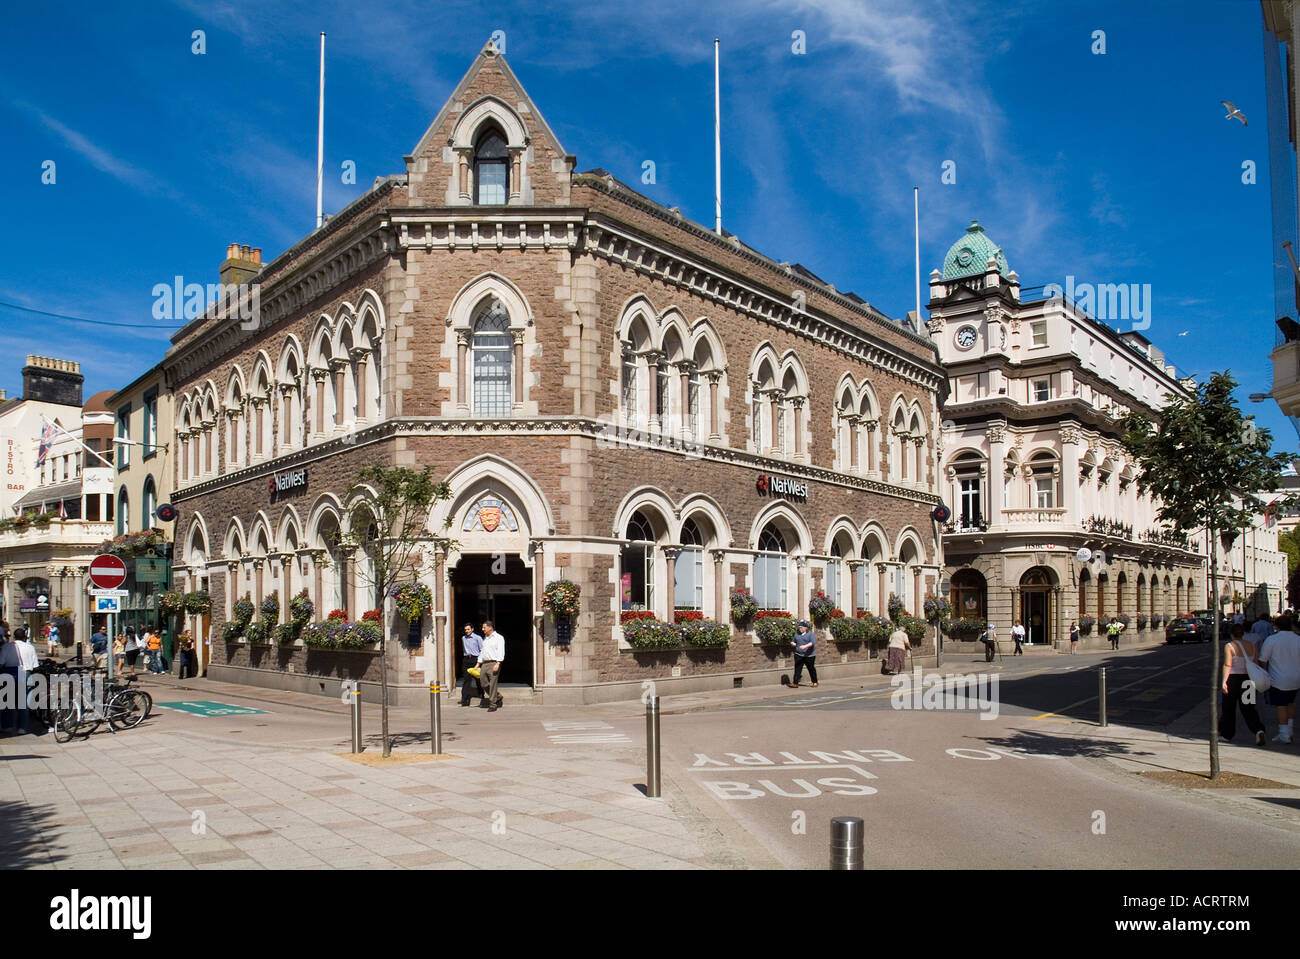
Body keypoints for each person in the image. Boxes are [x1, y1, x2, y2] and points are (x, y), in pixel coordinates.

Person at [1221, 623, 1266, 746]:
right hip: (1248, 680)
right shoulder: (1252, 646)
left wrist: (1224, 681)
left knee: (1229, 708)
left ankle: (1227, 734)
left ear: (1231, 634)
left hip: (1233, 680)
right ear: (1243, 633)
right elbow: (1256, 663)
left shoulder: (1230, 646)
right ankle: (1258, 729)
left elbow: (1228, 665)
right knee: (1249, 708)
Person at [1258, 614, 1300, 744]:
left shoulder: (1272, 640)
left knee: (1281, 706)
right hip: (1296, 677)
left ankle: (1284, 734)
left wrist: (1264, 673)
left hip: (1278, 678)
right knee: (1291, 703)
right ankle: (1290, 730)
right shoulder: (1298, 639)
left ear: (1276, 626)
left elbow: (1263, 659)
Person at [0, 627, 40, 734]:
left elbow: (1, 662)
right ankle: (21, 727)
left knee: (8, 700)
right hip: (25, 673)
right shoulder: (30, 647)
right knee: (24, 702)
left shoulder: (7, 647)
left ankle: (7, 726)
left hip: (9, 673)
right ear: (25, 637)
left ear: (14, 636)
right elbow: (35, 665)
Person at [476, 620, 505, 711]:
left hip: (494, 663)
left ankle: (493, 704)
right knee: (483, 683)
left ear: (490, 627)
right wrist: (478, 663)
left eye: (484, 627)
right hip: (484, 664)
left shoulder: (498, 638)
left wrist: (498, 663)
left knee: (493, 684)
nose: (482, 629)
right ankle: (497, 696)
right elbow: (482, 651)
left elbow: (501, 650)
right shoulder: (485, 639)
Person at [787, 620, 818, 688]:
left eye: (801, 628)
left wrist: (805, 646)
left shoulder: (810, 634)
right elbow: (793, 641)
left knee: (811, 668)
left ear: (805, 628)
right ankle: (795, 683)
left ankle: (815, 682)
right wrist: (793, 644)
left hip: (809, 655)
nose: (800, 629)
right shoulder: (797, 634)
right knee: (797, 668)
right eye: (799, 628)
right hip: (799, 654)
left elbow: (812, 642)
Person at [459, 622, 484, 706]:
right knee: (466, 680)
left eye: (468, 629)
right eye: (465, 629)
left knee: (478, 679)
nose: (467, 631)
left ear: (472, 629)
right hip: (466, 660)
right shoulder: (463, 638)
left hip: (475, 659)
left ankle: (481, 695)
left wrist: (479, 662)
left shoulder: (478, 638)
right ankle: (464, 699)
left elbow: (482, 650)